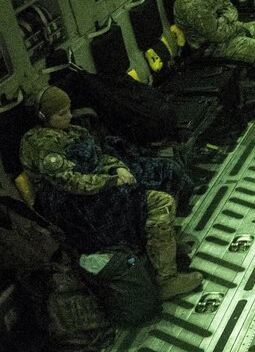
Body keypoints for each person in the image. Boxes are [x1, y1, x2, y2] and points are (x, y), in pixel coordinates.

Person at [20, 86, 203, 299]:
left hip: (98, 189)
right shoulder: (41, 145)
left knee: (159, 178)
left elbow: (101, 155)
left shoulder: (72, 131)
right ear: (43, 116)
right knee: (160, 202)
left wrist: (118, 167)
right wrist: (112, 181)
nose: (69, 116)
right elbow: (71, 182)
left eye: (69, 110)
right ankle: (167, 279)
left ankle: (162, 244)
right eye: (62, 114)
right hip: (76, 207)